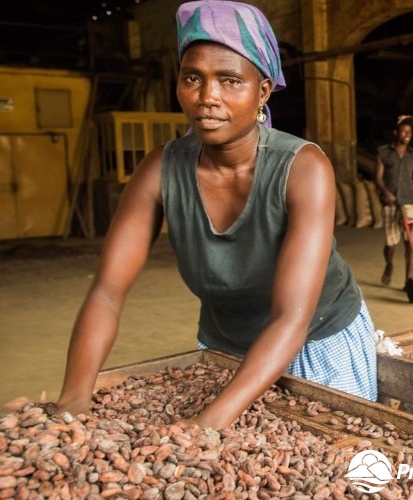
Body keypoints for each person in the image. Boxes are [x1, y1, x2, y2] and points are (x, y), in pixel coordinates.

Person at [56, 0, 377, 430]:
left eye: (230, 80)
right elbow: (107, 293)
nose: (207, 97)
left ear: (263, 91)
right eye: (193, 78)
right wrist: (75, 399)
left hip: (315, 343)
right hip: (224, 350)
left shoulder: (303, 169)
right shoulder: (160, 170)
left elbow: (291, 317)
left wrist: (207, 425)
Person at [375, 115, 413, 286]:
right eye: (403, 131)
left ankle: (408, 281)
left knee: (411, 243)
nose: (407, 134)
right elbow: (378, 178)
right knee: (391, 242)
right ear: (396, 133)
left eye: (409, 131)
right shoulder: (383, 153)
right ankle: (389, 264)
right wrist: (386, 193)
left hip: (409, 206)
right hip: (391, 204)